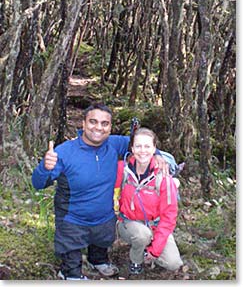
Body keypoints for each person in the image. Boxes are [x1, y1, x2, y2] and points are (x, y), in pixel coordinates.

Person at [32, 103, 169, 280]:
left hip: (103, 217)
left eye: (105, 123)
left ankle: (97, 260)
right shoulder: (64, 152)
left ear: (110, 127)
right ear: (83, 124)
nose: (98, 127)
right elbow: (38, 183)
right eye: (93, 122)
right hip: (72, 218)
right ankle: (69, 272)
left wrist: (157, 154)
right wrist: (44, 167)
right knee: (72, 269)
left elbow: (140, 143)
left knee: (102, 240)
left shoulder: (114, 144)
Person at [115, 127, 183, 275]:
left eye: (147, 146)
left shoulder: (164, 178)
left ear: (154, 149)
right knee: (142, 235)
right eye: (138, 146)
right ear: (132, 148)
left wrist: (155, 250)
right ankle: (135, 261)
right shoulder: (122, 170)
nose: (142, 150)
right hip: (128, 223)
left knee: (173, 263)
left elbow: (169, 217)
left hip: (155, 225)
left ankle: (147, 250)